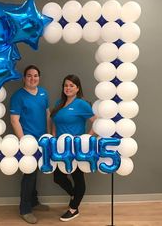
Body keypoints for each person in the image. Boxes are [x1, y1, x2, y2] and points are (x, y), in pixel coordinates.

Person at [51, 74, 96, 222]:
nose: (68, 88)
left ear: (77, 88)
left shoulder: (82, 104)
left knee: (78, 178)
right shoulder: (59, 103)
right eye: (66, 85)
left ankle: (73, 208)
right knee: (58, 177)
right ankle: (74, 195)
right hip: (60, 148)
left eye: (71, 85)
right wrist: (53, 139)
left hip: (76, 149)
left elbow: (96, 122)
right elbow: (55, 123)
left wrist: (87, 139)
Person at [10, 65, 50, 224]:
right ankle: (25, 209)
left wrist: (48, 135)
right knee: (29, 174)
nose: (33, 78)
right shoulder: (18, 96)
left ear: (39, 77)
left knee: (36, 171)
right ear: (24, 78)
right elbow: (14, 120)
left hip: (42, 140)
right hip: (28, 141)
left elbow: (47, 114)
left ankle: (33, 201)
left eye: (35, 76)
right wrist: (23, 141)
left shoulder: (43, 93)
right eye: (29, 76)